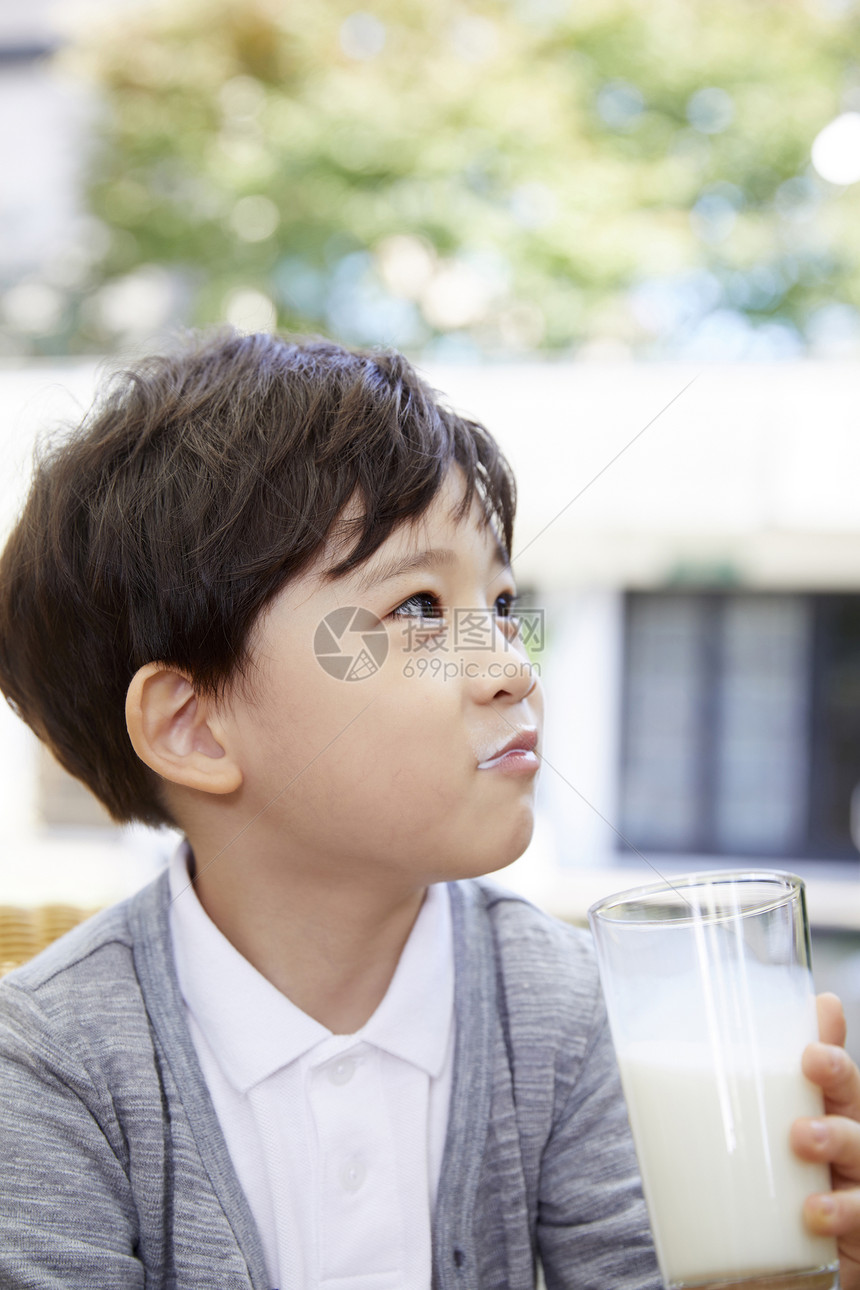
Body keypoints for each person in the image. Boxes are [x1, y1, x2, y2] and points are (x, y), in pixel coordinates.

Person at [0, 330, 857, 1290]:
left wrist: (800, 1273)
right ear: (196, 728)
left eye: (498, 602)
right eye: (416, 608)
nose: (511, 666)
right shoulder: (47, 1066)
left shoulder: (566, 1013)